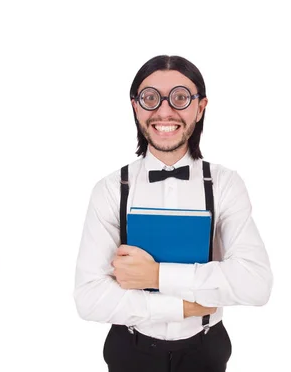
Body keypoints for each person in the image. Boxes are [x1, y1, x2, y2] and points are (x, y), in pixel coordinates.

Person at [73, 55, 273, 372]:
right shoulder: (111, 189)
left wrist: (155, 275)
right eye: (150, 98)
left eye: (180, 97)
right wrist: (183, 306)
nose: (164, 111)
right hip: (130, 349)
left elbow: (256, 284)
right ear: (135, 106)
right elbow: (90, 299)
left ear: (200, 106)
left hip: (206, 350)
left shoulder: (225, 185)